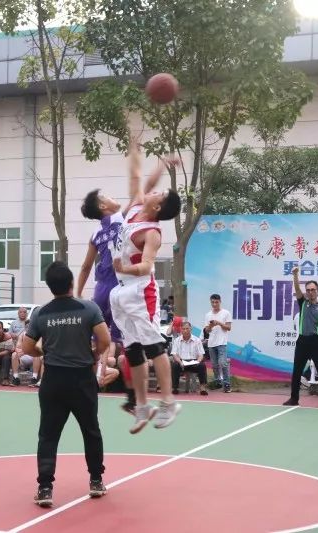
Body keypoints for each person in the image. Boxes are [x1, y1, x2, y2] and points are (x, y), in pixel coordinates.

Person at [22, 261, 110, 507]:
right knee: (91, 430)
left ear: (50, 287)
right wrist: (93, 355)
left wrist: (44, 353)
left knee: (48, 435)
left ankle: (45, 488)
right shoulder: (89, 308)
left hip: (53, 380)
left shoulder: (41, 313)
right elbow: (104, 339)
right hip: (82, 379)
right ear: (71, 282)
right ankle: (96, 481)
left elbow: (27, 347)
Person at [109, 139, 182, 433]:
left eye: (159, 193)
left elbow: (147, 266)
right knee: (132, 351)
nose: (152, 191)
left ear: (158, 206)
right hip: (121, 290)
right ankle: (141, 406)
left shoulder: (152, 232)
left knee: (153, 346)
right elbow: (138, 176)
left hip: (141, 290)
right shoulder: (136, 208)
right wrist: (139, 149)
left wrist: (125, 267)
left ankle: (168, 402)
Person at [78, 188, 135, 411]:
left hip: (101, 289)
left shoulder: (95, 233)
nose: (113, 197)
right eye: (108, 197)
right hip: (120, 287)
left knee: (96, 343)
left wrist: (78, 294)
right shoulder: (121, 218)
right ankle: (132, 397)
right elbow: (139, 196)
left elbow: (85, 266)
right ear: (103, 206)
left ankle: (90, 379)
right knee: (128, 342)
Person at [284, 266, 318, 408]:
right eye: (308, 290)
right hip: (302, 341)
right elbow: (297, 289)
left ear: (317, 291)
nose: (310, 292)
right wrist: (295, 275)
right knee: (297, 371)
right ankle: (294, 399)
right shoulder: (303, 302)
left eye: (313, 290)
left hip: (315, 341)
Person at [171, 321, 208, 396]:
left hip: (194, 362)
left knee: (202, 365)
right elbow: (174, 354)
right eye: (183, 329)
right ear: (181, 330)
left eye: (187, 328)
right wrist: (180, 362)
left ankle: (202, 388)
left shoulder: (197, 340)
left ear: (191, 329)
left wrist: (198, 361)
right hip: (182, 362)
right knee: (175, 365)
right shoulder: (177, 340)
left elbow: (201, 354)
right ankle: (175, 388)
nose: (185, 331)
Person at [204, 294, 233, 392]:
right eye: (212, 302)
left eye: (216, 302)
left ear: (220, 302)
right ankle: (218, 382)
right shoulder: (208, 315)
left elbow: (229, 328)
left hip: (222, 342)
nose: (214, 304)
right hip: (211, 343)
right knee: (214, 365)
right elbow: (207, 331)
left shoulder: (226, 313)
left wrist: (219, 323)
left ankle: (227, 384)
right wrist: (211, 326)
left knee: (223, 363)